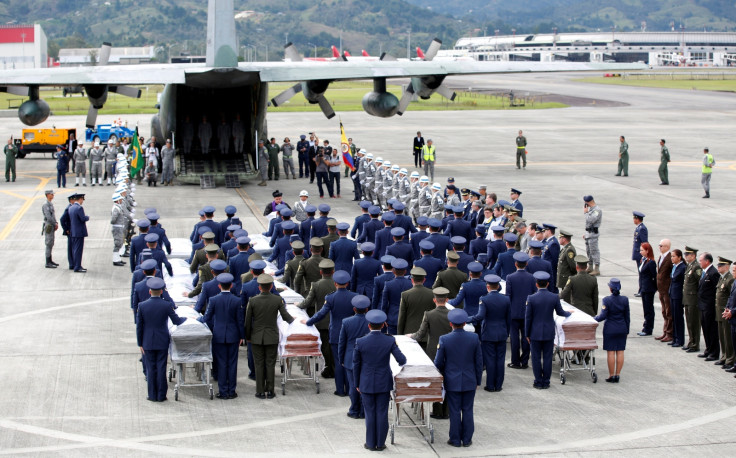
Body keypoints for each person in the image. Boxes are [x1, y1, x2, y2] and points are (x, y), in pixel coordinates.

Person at [353, 309, 407, 451]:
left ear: (369, 325)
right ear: (383, 325)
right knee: (382, 413)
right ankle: (381, 443)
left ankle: (370, 443)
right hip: (384, 381)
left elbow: (356, 364)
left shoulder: (360, 341)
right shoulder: (389, 340)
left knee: (370, 413)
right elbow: (402, 360)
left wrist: (356, 383)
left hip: (366, 381)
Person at [434, 308, 483, 448]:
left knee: (454, 410)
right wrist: (477, 380)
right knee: (468, 410)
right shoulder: (474, 338)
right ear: (464, 323)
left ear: (451, 324)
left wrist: (444, 375)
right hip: (469, 380)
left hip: (452, 380)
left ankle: (455, 439)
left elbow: (438, 362)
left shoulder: (444, 339)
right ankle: (467, 439)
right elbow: (479, 363)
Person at [304, 270, 357, 396]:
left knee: (338, 363)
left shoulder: (331, 297)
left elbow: (321, 314)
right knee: (349, 362)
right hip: (350, 334)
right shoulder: (354, 297)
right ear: (348, 283)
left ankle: (340, 390)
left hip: (336, 334)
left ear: (335, 284)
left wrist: (308, 322)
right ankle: (350, 389)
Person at [136, 277, 187, 402]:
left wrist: (140, 343)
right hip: (162, 341)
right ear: (161, 292)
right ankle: (161, 395)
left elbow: (139, 327)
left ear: (150, 291)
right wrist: (186, 318)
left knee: (151, 369)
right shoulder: (166, 305)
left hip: (147, 341)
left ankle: (152, 395)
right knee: (161, 368)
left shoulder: (142, 306)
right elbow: (177, 321)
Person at [246, 274, 295, 399]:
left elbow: (247, 322)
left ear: (259, 287)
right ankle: (271, 390)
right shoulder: (277, 300)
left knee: (259, 364)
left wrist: (248, 337)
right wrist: (293, 320)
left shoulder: (252, 301)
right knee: (270, 364)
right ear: (271, 286)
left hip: (256, 337)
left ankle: (260, 391)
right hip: (272, 336)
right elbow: (285, 317)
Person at [198, 273, 244, 399]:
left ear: (219, 286)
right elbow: (240, 320)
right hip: (233, 335)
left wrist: (197, 319)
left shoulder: (214, 300)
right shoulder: (237, 300)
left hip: (218, 335)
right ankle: (232, 390)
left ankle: (223, 391)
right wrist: (242, 336)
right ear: (231, 285)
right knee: (233, 363)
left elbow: (207, 317)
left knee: (222, 363)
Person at [525, 271, 572, 389]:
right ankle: (546, 381)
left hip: (535, 332)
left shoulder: (531, 298)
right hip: (548, 332)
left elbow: (528, 318)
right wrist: (569, 314)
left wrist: (527, 333)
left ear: (536, 284)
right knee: (547, 357)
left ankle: (538, 381)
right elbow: (560, 312)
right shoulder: (554, 297)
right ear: (547, 284)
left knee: (535, 358)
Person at [472, 274, 510, 393]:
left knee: (489, 360)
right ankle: (498, 385)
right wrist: (506, 332)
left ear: (487, 287)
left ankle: (490, 385)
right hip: (502, 332)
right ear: (498, 286)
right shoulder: (506, 299)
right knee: (500, 359)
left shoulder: (484, 299)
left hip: (488, 333)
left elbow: (480, 316)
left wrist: (466, 318)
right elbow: (508, 319)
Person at [338, 295, 371, 419]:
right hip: (366, 358)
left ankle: (354, 410)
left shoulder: (346, 322)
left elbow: (342, 343)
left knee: (353, 386)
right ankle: (363, 411)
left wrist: (341, 359)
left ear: (354, 309)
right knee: (363, 385)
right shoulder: (371, 322)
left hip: (350, 358)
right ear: (367, 309)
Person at [595, 278, 630, 383]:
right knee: (620, 351)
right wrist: (626, 330)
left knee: (611, 352)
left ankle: (611, 375)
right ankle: (617, 374)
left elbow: (602, 316)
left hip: (610, 328)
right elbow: (627, 317)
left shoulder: (606, 300)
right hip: (622, 328)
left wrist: (593, 318)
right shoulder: (625, 300)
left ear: (610, 289)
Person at [506, 252, 535, 369]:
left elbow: (508, 296)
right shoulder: (532, 278)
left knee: (514, 338)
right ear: (526, 264)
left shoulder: (510, 277)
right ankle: (525, 361)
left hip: (514, 312)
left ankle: (515, 361)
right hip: (527, 312)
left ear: (515, 264)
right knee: (526, 337)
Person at [698, 252, 720, 361]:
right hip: (703, 306)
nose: (699, 262)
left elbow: (717, 290)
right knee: (705, 329)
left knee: (712, 330)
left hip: (709, 307)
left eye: (701, 260)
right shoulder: (705, 272)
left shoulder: (713, 273)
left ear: (707, 261)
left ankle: (714, 352)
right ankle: (708, 349)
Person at [715, 257, 734, 369]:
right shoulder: (722, 278)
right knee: (722, 336)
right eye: (718, 265)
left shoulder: (730, 279)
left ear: (727, 267)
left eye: (721, 266)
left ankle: (730, 359)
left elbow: (731, 297)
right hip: (719, 311)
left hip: (726, 312)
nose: (719, 267)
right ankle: (724, 356)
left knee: (727, 337)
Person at [682, 246, 703, 353]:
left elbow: (700, 283)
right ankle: (691, 342)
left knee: (694, 322)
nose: (685, 256)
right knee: (689, 322)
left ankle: (695, 344)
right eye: (685, 254)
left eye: (687, 254)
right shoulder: (689, 266)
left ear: (693, 256)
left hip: (693, 299)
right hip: (687, 298)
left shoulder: (697, 267)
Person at [637, 242, 657, 336]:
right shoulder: (643, 260)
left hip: (648, 289)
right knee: (645, 309)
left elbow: (654, 276)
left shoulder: (651, 262)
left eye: (642, 250)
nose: (640, 252)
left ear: (647, 251)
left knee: (649, 309)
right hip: (644, 288)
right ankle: (645, 327)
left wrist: (653, 288)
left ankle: (648, 329)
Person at [656, 239, 674, 342]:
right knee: (664, 311)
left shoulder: (669, 258)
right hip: (661, 289)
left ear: (667, 247)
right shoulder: (661, 257)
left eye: (661, 245)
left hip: (667, 289)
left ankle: (669, 333)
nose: (659, 247)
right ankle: (665, 331)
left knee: (668, 312)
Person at [669, 249, 686, 348]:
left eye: (674, 256)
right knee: (674, 317)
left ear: (679, 257)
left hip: (678, 295)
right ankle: (674, 337)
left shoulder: (682, 267)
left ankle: (680, 339)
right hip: (672, 294)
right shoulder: (674, 267)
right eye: (671, 256)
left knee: (678, 317)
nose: (672, 258)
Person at [69, 193, 89, 273]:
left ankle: (76, 265)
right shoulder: (79, 208)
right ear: (80, 199)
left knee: (75, 249)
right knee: (78, 250)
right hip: (79, 232)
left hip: (73, 232)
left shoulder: (71, 207)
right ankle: (77, 266)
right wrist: (87, 217)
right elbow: (83, 218)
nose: (82, 201)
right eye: (82, 200)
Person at [582, 195, 602, 275]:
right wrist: (586, 234)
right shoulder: (591, 210)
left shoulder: (597, 210)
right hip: (589, 233)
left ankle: (596, 268)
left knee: (594, 251)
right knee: (588, 251)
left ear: (589, 202)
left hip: (593, 234)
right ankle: (590, 267)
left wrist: (586, 212)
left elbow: (591, 220)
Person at [41, 190, 59, 269]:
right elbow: (48, 216)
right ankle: (48, 262)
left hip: (52, 225)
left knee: (51, 242)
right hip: (49, 225)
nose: (53, 195)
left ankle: (50, 260)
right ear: (48, 195)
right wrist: (54, 223)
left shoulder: (50, 204)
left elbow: (53, 215)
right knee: (48, 243)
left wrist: (56, 222)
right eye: (52, 194)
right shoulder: (46, 205)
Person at [110, 194, 129, 267]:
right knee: (118, 243)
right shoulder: (116, 208)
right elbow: (113, 219)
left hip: (119, 227)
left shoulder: (118, 207)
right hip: (117, 228)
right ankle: (115, 259)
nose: (121, 200)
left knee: (120, 242)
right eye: (120, 199)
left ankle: (117, 258)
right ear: (117, 200)